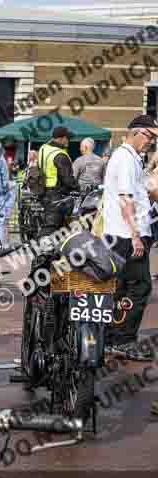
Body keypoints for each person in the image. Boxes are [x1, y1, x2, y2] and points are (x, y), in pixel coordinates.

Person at [102, 115, 158, 361]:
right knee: (140, 285)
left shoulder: (131, 158)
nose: (151, 142)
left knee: (122, 287)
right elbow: (126, 199)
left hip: (124, 234)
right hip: (126, 236)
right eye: (150, 136)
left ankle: (111, 338)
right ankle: (122, 340)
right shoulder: (125, 158)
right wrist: (136, 236)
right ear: (136, 132)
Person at [36, 127, 78, 235]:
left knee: (50, 222)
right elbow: (68, 179)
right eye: (67, 138)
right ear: (62, 138)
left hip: (42, 190)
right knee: (52, 225)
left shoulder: (43, 148)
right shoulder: (60, 154)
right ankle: (39, 247)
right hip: (55, 193)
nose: (69, 141)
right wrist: (79, 188)